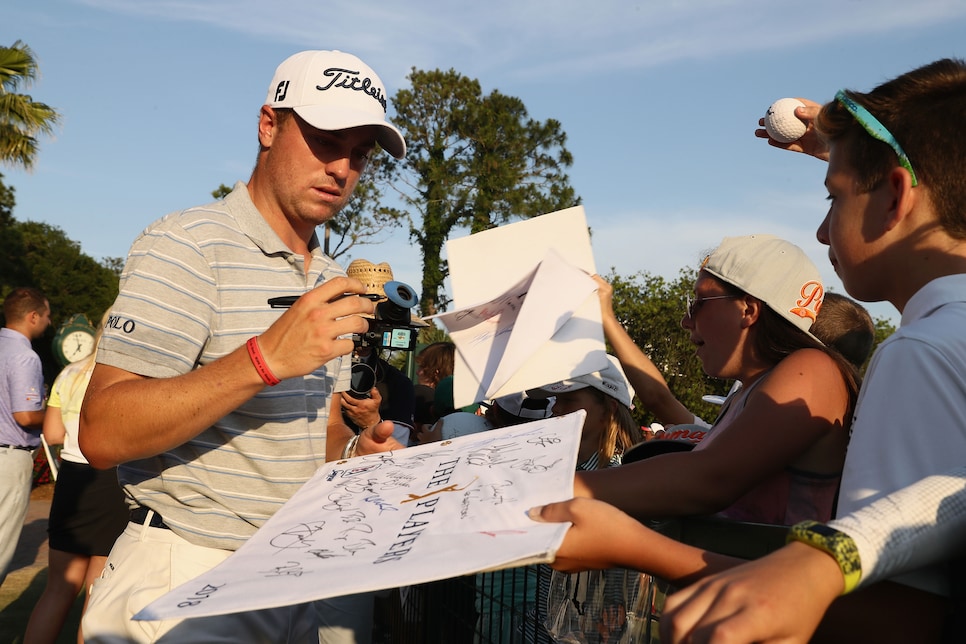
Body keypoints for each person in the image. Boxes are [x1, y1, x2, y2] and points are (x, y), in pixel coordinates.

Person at [77, 49, 408, 643]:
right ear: (268, 124)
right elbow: (102, 431)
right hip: (189, 571)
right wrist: (263, 360)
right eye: (326, 138)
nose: (341, 167)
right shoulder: (186, 244)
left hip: (296, 574)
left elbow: (311, 447)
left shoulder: (331, 276)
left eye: (359, 154)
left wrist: (360, 456)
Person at [656, 57, 966, 643]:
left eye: (832, 199)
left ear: (896, 195)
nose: (823, 232)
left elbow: (898, 620)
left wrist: (640, 546)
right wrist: (853, 148)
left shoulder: (920, 354)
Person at [574, 234, 858, 527]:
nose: (686, 320)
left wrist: (555, 490)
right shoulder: (748, 392)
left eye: (699, 302)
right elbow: (660, 399)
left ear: (747, 309)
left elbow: (709, 479)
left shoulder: (812, 369)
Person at [24, 318, 128, 644]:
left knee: (58, 588)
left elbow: (53, 433)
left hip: (71, 479)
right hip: (111, 479)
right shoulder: (124, 374)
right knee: (98, 592)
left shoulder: (69, 372)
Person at [0, 286, 51, 587]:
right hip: (8, 457)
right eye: (47, 315)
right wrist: (58, 414)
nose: (49, 321)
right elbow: (26, 415)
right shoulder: (24, 356)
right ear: (33, 316)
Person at [412, 341, 455, 429]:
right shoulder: (465, 401)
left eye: (422, 367)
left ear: (436, 372)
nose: (417, 372)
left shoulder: (419, 394)